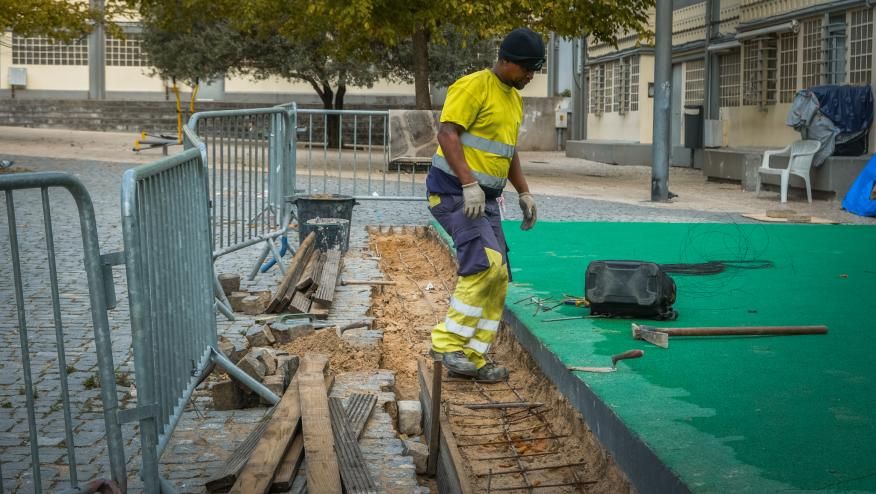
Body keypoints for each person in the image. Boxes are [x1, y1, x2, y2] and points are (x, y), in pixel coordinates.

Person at [426, 27, 544, 381]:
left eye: (534, 69)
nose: (530, 76)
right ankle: (447, 344)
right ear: (506, 60)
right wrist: (468, 184)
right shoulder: (473, 86)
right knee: (484, 266)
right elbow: (447, 133)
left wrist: (524, 192)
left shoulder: (514, 99)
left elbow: (507, 152)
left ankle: (473, 356)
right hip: (453, 192)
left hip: (485, 198)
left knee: (499, 277)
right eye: (526, 68)